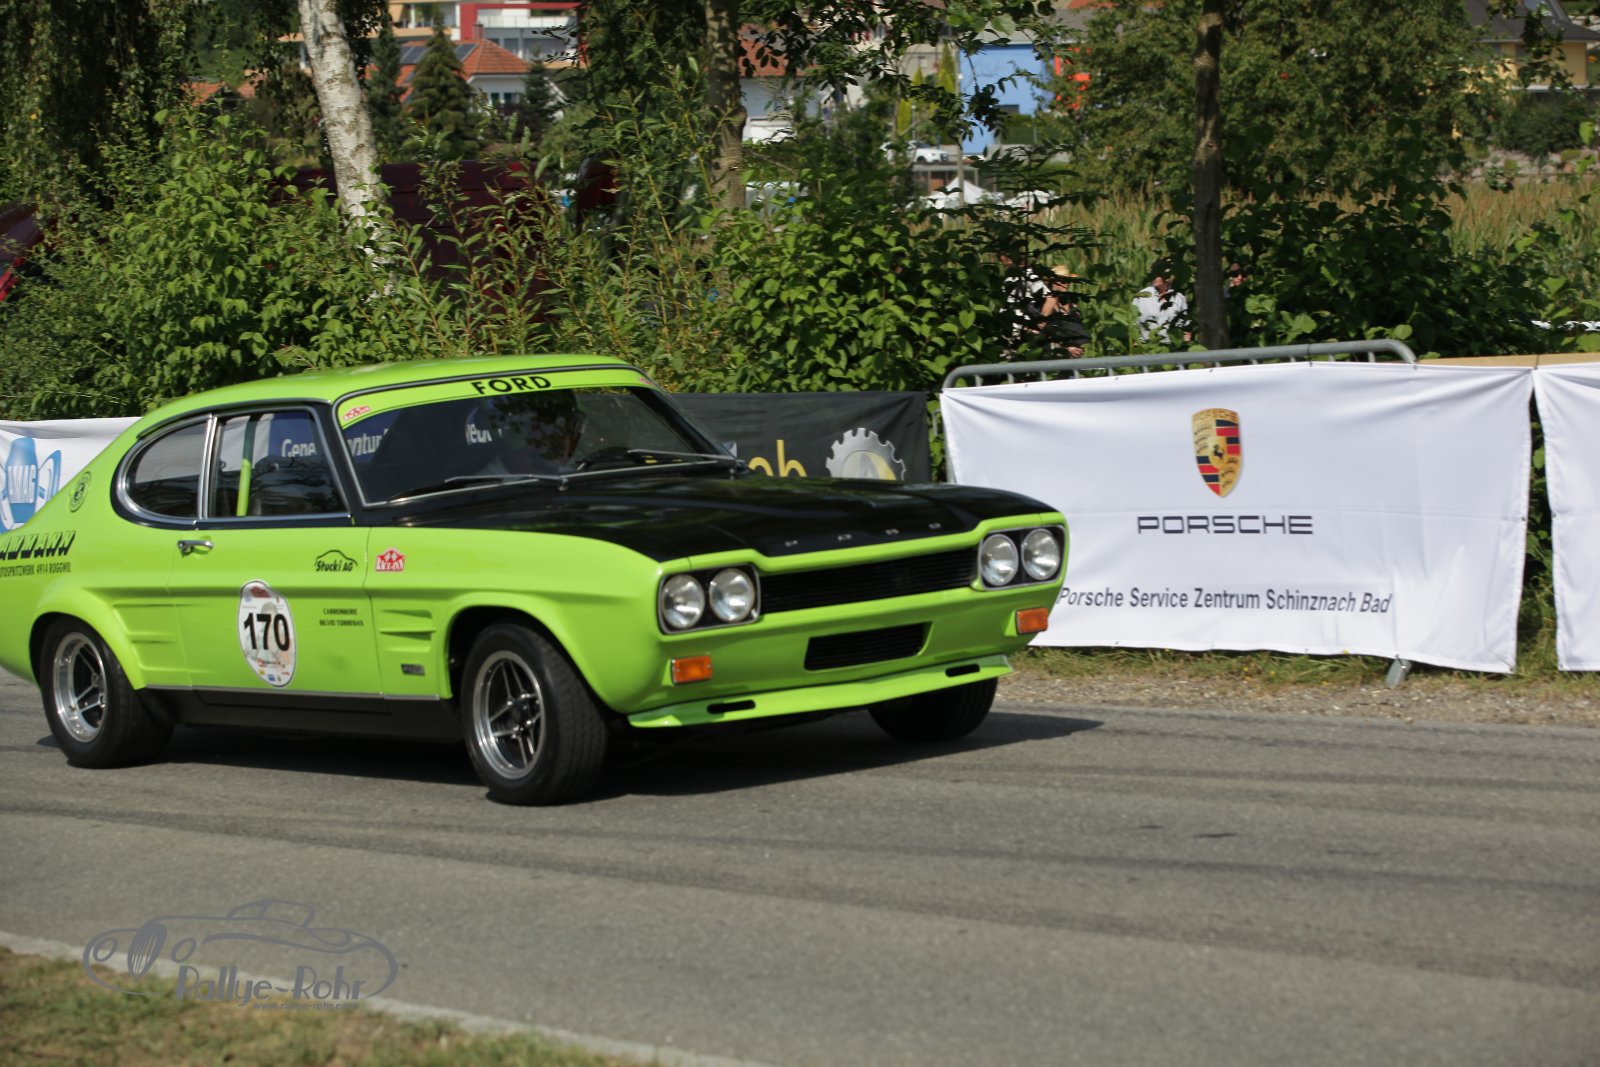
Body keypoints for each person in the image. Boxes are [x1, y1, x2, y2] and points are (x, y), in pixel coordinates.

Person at [1034, 265, 1091, 358]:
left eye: (1068, 281)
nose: (1066, 284)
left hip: (1080, 350)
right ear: (1052, 282)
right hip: (1059, 353)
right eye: (1063, 281)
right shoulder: (1049, 301)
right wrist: (1065, 348)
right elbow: (1042, 329)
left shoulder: (1071, 301)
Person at [1133, 259, 1190, 343]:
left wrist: (1186, 344)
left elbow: (1186, 327)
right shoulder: (1142, 296)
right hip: (1148, 345)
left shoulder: (1179, 298)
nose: (1154, 277)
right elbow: (1134, 324)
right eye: (1153, 274)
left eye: (1158, 274)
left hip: (1172, 346)